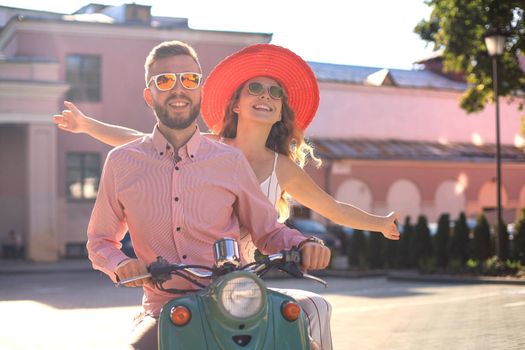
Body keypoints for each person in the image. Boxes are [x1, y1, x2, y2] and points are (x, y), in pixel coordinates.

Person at [83, 40, 331, 350]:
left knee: (300, 344)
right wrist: (121, 265)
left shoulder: (230, 160)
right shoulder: (121, 162)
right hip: (165, 308)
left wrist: (305, 244)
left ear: (199, 91)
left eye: (189, 79)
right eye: (164, 81)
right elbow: (100, 241)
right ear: (150, 95)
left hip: (236, 301)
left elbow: (268, 230)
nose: (178, 89)